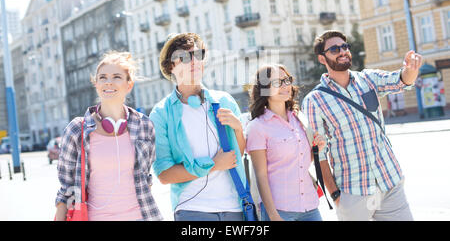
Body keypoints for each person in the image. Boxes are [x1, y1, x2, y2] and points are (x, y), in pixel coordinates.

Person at [302, 30, 421, 221]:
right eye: (334, 49)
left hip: (389, 181)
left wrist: (411, 69)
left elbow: (401, 80)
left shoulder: (369, 79)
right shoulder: (315, 101)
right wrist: (335, 195)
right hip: (353, 191)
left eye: (344, 46)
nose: (342, 51)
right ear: (322, 59)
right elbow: (319, 155)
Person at [149, 32, 247, 221]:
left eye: (199, 55)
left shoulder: (224, 101)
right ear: (171, 66)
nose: (194, 61)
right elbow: (165, 174)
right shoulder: (161, 114)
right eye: (184, 57)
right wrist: (214, 165)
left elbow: (237, 155)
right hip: (192, 209)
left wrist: (238, 129)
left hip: (234, 206)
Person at [55, 51, 163, 221]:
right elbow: (66, 189)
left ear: (129, 85)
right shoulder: (77, 129)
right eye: (103, 77)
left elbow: (146, 178)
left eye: (116, 77)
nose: (108, 82)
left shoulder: (144, 125)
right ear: (96, 84)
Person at [246, 64, 326, 221]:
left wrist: (315, 149)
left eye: (287, 80)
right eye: (277, 82)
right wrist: (273, 215)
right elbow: (261, 176)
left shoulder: (299, 119)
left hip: (309, 206)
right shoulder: (257, 127)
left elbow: (299, 162)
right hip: (279, 210)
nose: (285, 86)